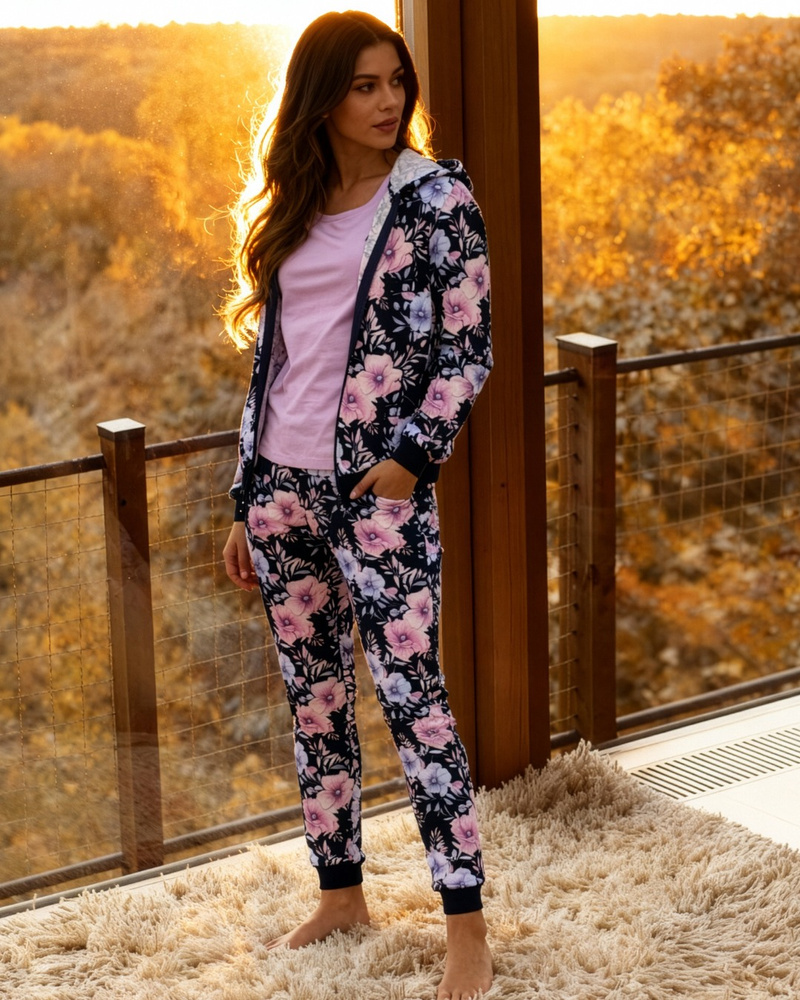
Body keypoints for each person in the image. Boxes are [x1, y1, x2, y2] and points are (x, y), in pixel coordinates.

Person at [221, 11, 493, 999]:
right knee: (316, 704)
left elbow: (468, 348)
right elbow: (276, 360)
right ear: (321, 97)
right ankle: (340, 894)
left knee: (416, 705)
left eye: (395, 82)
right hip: (279, 490)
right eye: (363, 85)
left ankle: (466, 930)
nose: (386, 102)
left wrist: (411, 461)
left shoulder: (434, 198)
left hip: (375, 496)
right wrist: (245, 490)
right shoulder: (295, 201)